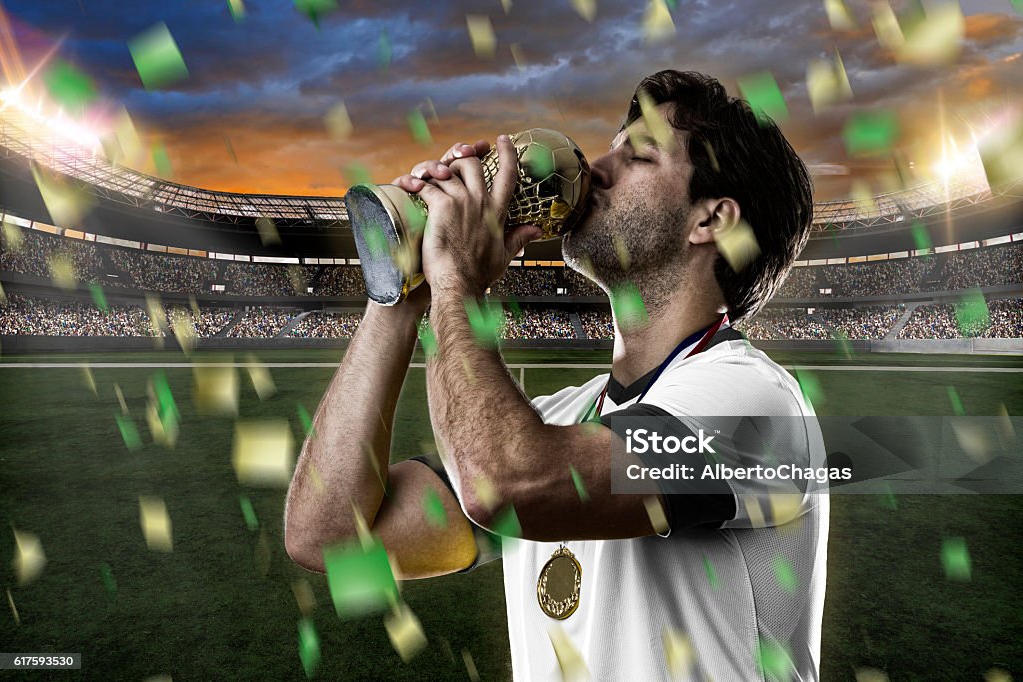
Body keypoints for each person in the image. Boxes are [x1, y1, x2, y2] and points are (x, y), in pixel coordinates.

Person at [284, 69, 827, 681]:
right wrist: (401, 294)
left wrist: (455, 280)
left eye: (638, 157)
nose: (596, 167)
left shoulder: (755, 408)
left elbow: (506, 482)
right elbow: (330, 538)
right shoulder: (558, 420)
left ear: (712, 220)